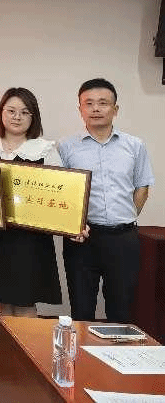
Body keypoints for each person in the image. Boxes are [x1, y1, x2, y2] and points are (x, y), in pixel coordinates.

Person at [59, 78, 153, 323]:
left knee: (121, 311)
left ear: (115, 109)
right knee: (81, 311)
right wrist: (72, 224)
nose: (96, 109)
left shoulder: (134, 145)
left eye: (103, 103)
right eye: (88, 103)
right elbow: (62, 194)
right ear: (80, 109)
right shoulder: (66, 147)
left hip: (123, 239)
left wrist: (125, 216)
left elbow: (142, 187)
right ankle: (82, 350)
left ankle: (116, 349)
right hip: (83, 239)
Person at [0, 88, 63, 320]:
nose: (17, 117)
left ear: (33, 117)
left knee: (26, 301)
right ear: (1, 113)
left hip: (31, 239)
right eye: (11, 111)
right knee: (2, 301)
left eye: (25, 112)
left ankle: (24, 346)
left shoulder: (45, 149)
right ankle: (2, 346)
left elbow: (61, 193)